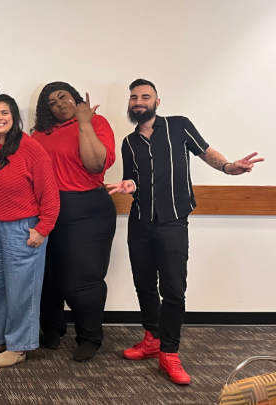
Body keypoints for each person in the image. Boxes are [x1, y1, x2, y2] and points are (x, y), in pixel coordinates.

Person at [107, 78, 263, 385]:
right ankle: (151, 338)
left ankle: (169, 352)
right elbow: (132, 180)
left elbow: (206, 152)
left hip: (173, 222)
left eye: (145, 96)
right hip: (139, 222)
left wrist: (229, 166)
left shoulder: (179, 126)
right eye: (134, 97)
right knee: (144, 285)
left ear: (157, 101)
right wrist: (130, 185)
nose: (139, 101)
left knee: (174, 290)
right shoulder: (128, 142)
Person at [31, 82, 117, 362]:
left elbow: (95, 165)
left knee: (82, 279)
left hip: (87, 209)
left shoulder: (95, 122)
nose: (59, 104)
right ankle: (53, 330)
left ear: (75, 98)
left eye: (63, 97)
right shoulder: (39, 134)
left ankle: (90, 337)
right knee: (49, 277)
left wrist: (84, 123)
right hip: (48, 210)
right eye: (52, 102)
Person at [0, 95, 60, 367]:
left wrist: (43, 227)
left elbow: (50, 193)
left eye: (4, 112)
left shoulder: (30, 148)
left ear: (14, 116)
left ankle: (20, 345)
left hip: (24, 228)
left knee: (21, 289)